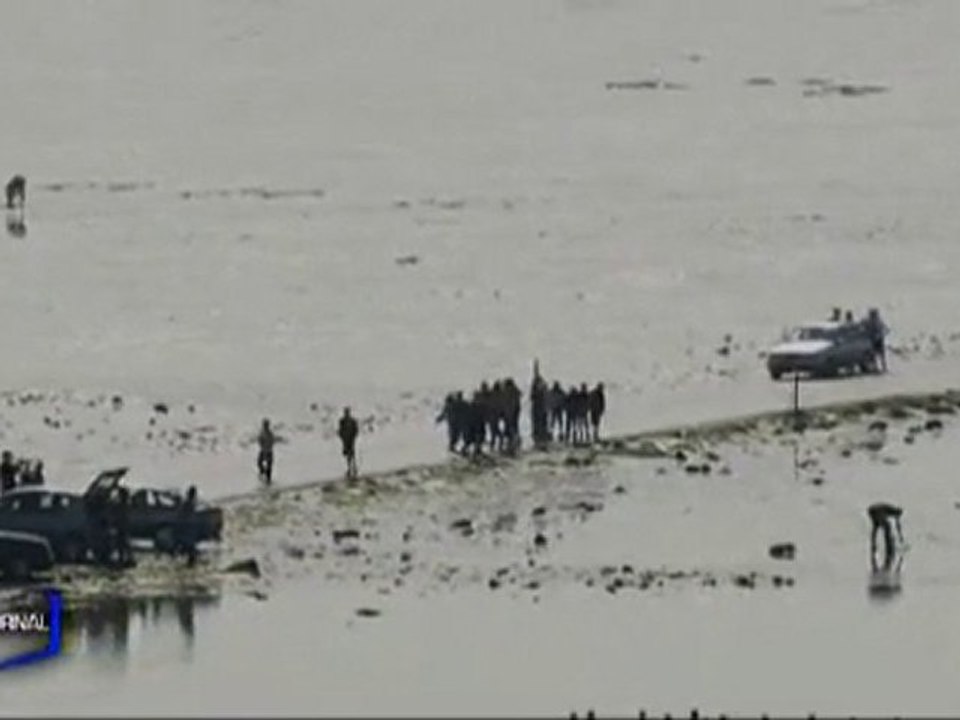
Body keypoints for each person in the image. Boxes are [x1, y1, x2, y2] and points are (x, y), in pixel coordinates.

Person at [868, 502, 904, 566]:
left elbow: (898, 525)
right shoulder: (894, 511)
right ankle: (889, 547)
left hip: (872, 510)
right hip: (877, 511)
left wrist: (900, 536)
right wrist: (900, 536)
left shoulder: (892, 510)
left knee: (876, 526)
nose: (898, 518)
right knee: (887, 526)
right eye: (899, 516)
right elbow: (898, 525)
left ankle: (874, 545)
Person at [338, 407, 359, 479]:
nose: (346, 414)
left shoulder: (352, 421)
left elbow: (356, 430)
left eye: (347, 412)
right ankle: (350, 468)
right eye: (346, 412)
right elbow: (340, 430)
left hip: (351, 439)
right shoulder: (342, 421)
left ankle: (353, 467)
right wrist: (341, 437)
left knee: (352, 453)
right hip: (345, 440)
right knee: (347, 454)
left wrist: (354, 437)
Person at [865, 307, 889, 372]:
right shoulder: (876, 321)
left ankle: (880, 367)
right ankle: (881, 367)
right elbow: (886, 329)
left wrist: (882, 334)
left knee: (878, 355)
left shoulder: (871, 321)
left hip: (875, 340)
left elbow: (885, 329)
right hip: (876, 340)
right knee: (879, 355)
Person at [256, 418, 278, 485]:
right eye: (264, 424)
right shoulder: (262, 432)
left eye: (265, 424)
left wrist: (267, 447)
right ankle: (263, 472)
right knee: (259, 463)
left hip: (268, 451)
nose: (264, 426)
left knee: (269, 466)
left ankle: (268, 480)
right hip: (263, 450)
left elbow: (272, 441)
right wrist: (261, 444)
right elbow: (259, 440)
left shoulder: (270, 434)